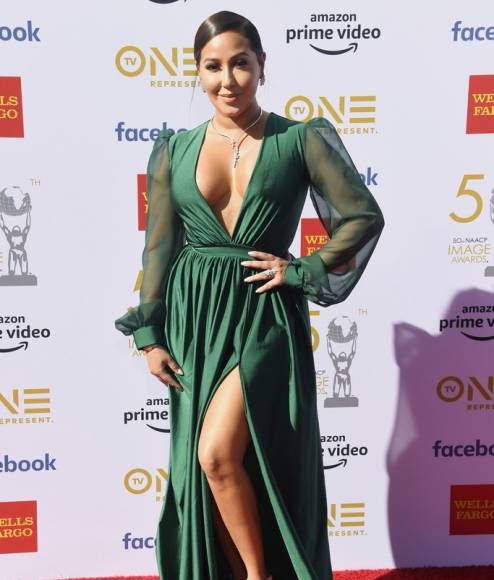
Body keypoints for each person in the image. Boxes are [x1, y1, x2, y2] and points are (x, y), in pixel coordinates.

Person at [115, 10, 384, 580]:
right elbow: (158, 248)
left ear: (262, 65)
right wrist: (149, 334)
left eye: (240, 63)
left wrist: (302, 269)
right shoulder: (174, 150)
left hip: (264, 314)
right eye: (212, 67)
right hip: (196, 318)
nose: (227, 80)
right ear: (197, 71)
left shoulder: (300, 138)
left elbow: (361, 217)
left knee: (216, 452)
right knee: (212, 467)